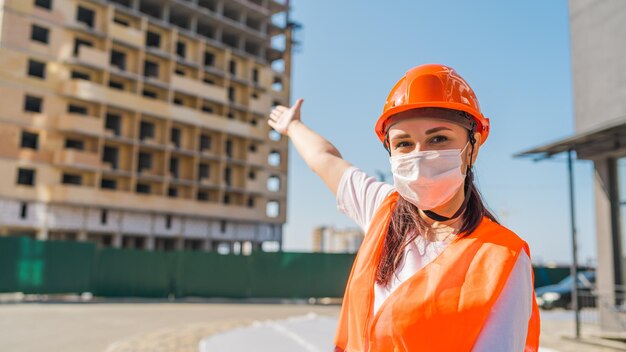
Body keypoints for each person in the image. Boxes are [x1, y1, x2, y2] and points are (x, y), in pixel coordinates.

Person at [268, 64, 540, 352]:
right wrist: (292, 126)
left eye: (438, 139)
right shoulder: (381, 210)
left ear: (473, 146)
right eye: (404, 143)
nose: (420, 154)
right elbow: (325, 159)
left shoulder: (503, 259)